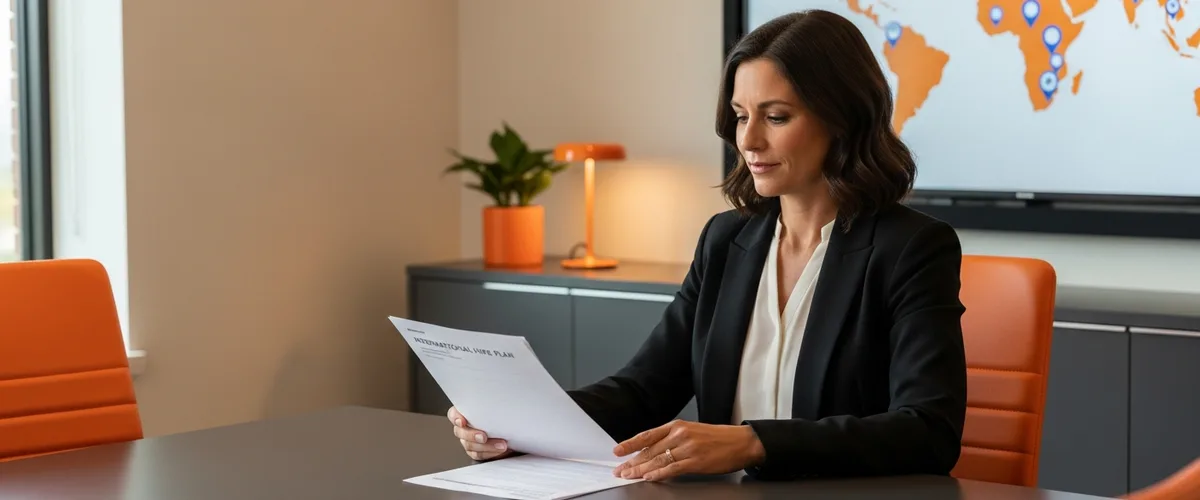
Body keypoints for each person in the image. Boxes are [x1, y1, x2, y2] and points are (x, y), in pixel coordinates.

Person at [446, 9, 967, 482]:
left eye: (777, 116)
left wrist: (753, 442)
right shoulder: (727, 239)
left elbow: (926, 430)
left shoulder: (913, 248)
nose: (749, 140)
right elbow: (645, 389)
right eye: (742, 115)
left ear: (843, 120)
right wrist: (519, 423)